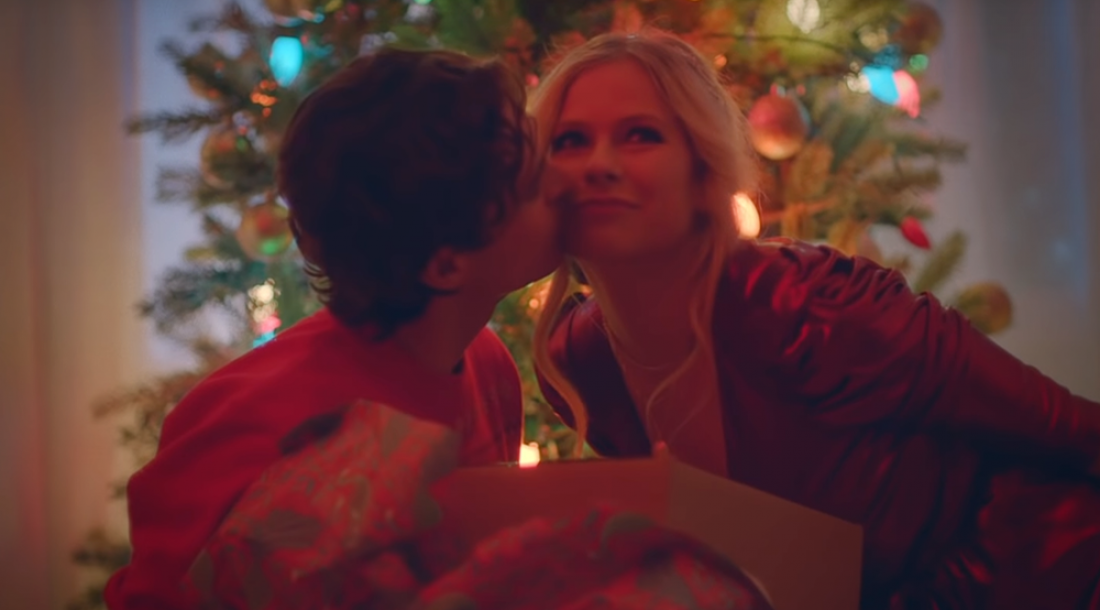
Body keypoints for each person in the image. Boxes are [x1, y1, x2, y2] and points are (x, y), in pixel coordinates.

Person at [531, 29, 1100, 609]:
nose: (599, 164)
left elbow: (1076, 432)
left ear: (703, 169)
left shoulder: (802, 303)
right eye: (570, 140)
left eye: (640, 135)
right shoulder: (576, 362)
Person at [105, 46, 560, 610]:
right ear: (445, 265)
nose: (566, 184)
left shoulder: (487, 366)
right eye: (535, 183)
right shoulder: (252, 421)